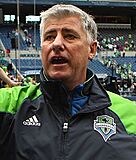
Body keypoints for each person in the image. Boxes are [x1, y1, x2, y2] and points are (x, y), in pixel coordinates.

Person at [0, 4, 136, 160]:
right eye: (49, 36)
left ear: (91, 50)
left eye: (70, 36)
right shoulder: (10, 106)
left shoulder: (130, 115)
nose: (57, 44)